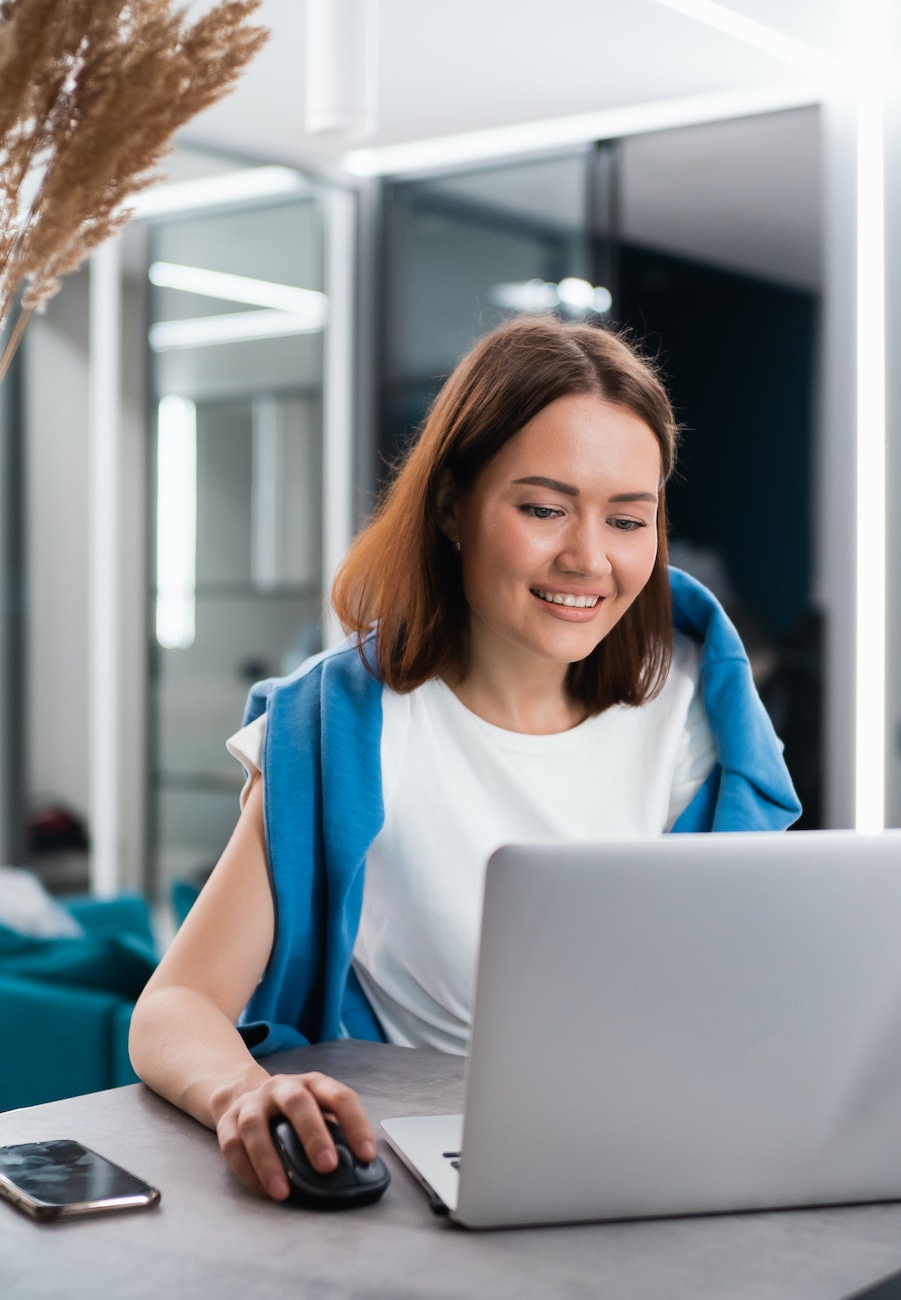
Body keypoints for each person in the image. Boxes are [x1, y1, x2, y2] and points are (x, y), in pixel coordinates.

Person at [128, 316, 800, 1202]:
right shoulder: (340, 724)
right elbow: (174, 1006)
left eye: (628, 518)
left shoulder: (692, 704)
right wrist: (249, 1095)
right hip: (416, 1165)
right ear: (452, 505)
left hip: (654, 1157)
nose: (588, 558)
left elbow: (751, 993)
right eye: (543, 508)